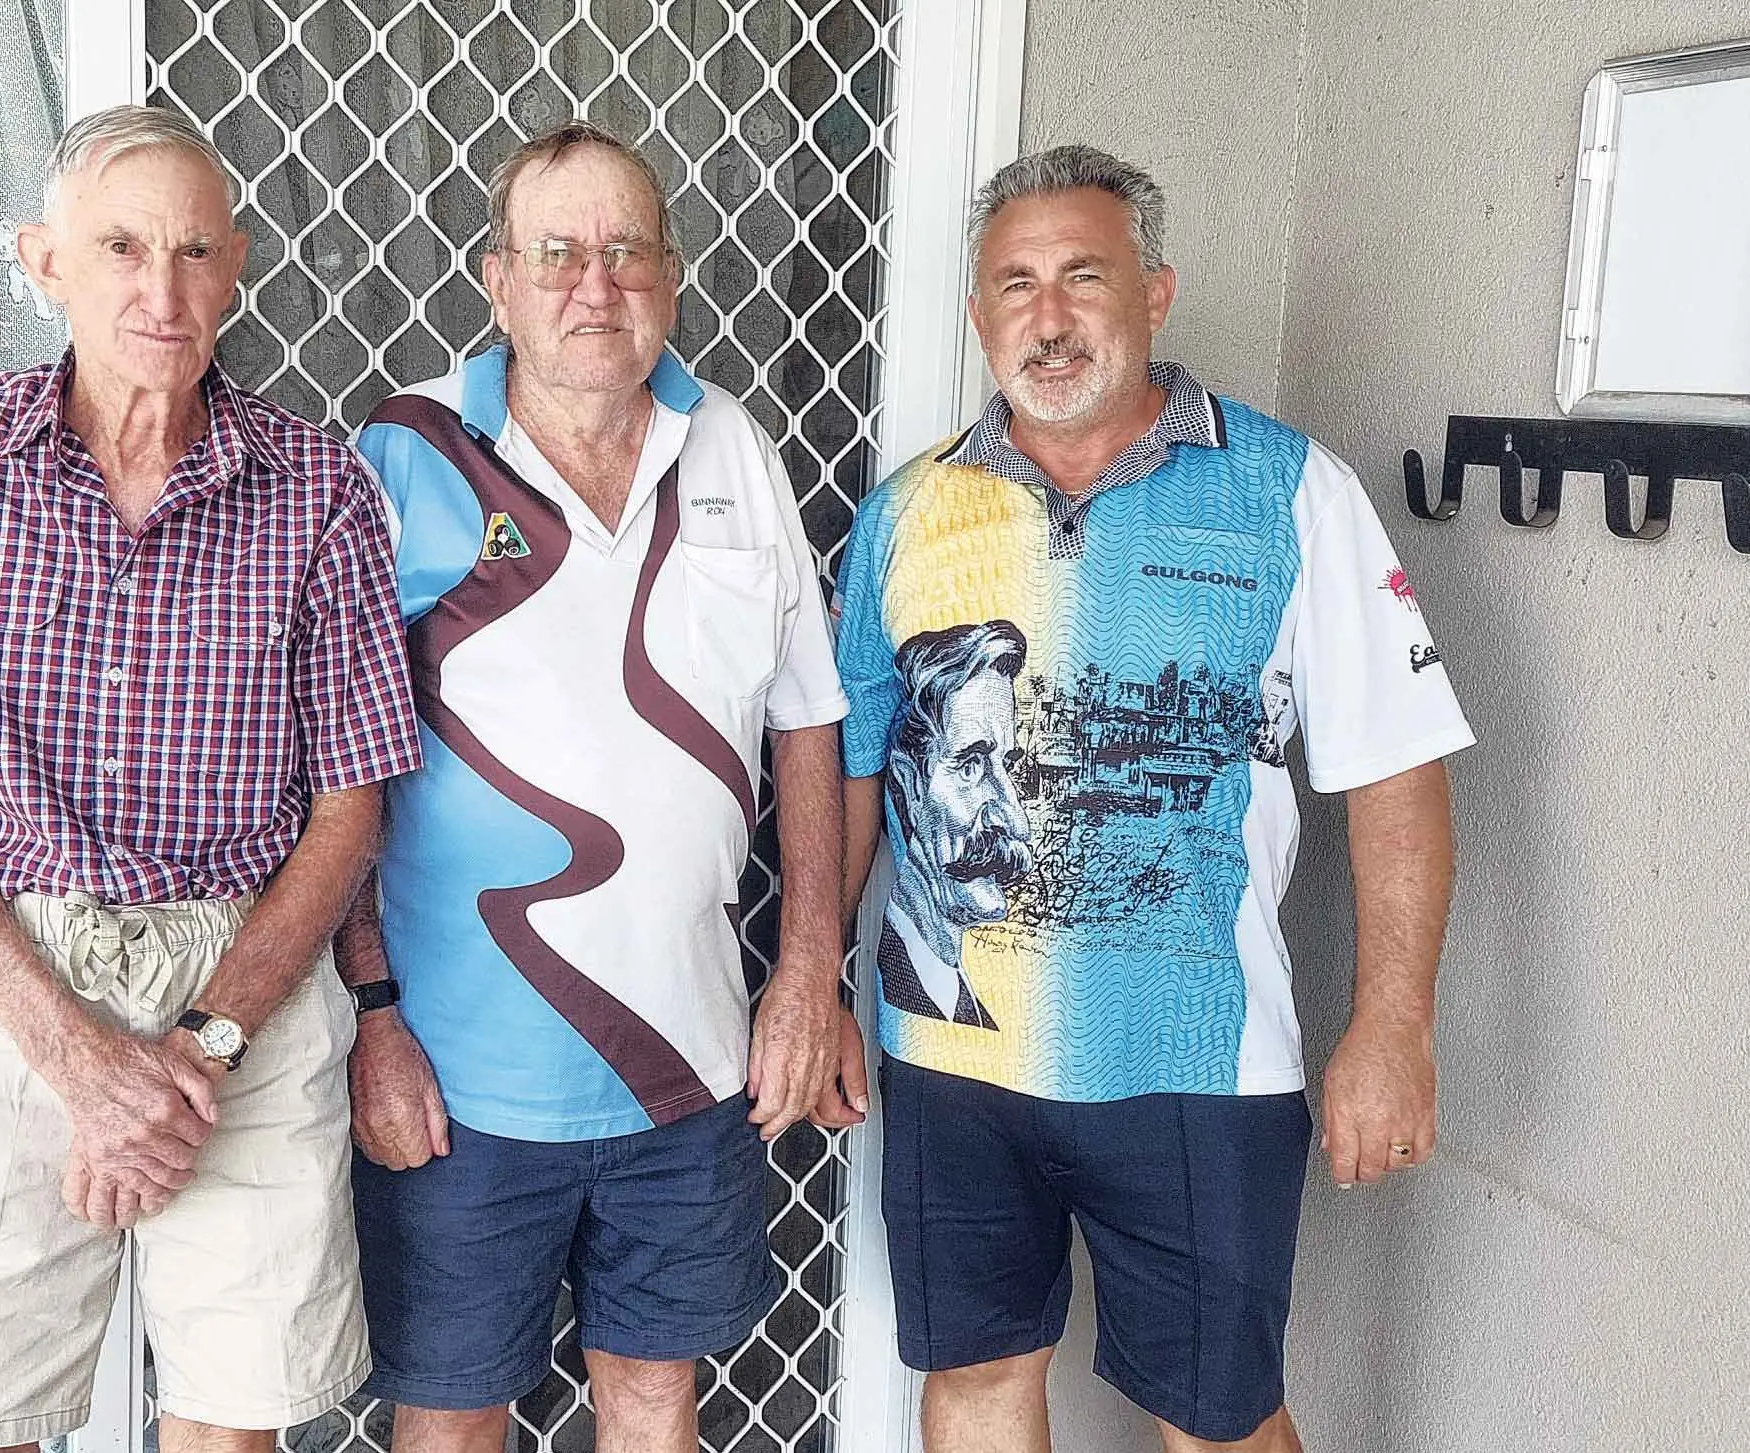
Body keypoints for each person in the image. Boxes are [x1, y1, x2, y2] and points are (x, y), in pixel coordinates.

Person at [0, 105, 423, 1453]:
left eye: (196, 250)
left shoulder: (316, 486)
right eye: (121, 247)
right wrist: (74, 1050)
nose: (162, 288)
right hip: (8, 973)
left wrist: (203, 1045)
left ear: (236, 266)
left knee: (230, 1428)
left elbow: (351, 804)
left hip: (240, 980)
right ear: (44, 262)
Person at [834, 145, 1475, 1453]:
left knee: (1220, 1420)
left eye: (1085, 273)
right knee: (974, 1388)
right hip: (952, 1059)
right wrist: (812, 983)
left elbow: (1397, 769)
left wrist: (1394, 1021)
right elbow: (851, 768)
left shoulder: (1291, 490)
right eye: (1015, 283)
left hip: (1201, 1064)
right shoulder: (907, 513)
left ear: (1156, 293)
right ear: (977, 316)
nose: (1049, 314)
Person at [332, 121, 864, 1453]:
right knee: (452, 1417)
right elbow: (326, 761)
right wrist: (373, 1015)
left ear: (671, 278)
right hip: (460, 1075)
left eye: (628, 252)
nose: (596, 284)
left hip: (688, 1063)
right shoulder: (404, 452)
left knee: (651, 1406)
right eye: (558, 251)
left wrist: (808, 973)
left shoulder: (730, 444)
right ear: (496, 278)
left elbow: (809, 718)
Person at [879, 619, 1035, 1028]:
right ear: (912, 784)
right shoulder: (913, 989)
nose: (1013, 817)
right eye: (970, 766)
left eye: (1009, 771)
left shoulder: (956, 996)